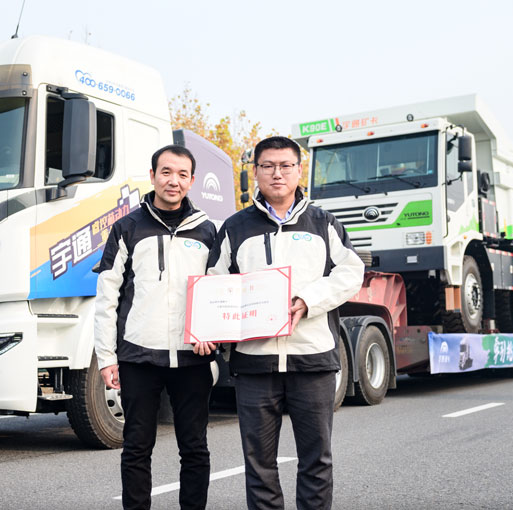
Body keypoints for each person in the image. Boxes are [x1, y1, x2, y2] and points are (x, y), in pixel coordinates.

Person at [207, 136, 365, 510]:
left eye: (285, 166)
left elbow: (351, 272)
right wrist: (211, 328)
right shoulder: (235, 227)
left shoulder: (323, 223)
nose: (277, 173)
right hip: (254, 363)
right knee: (259, 464)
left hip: (312, 359)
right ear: (255, 172)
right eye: (268, 166)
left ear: (298, 170)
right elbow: (215, 282)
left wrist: (309, 300)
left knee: (316, 459)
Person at [94, 144, 219, 510]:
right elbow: (106, 297)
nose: (173, 181)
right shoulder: (127, 227)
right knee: (136, 447)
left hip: (193, 356)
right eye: (166, 172)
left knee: (194, 448)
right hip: (139, 356)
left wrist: (212, 335)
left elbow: (219, 291)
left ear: (192, 180)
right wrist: (106, 357)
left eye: (182, 174)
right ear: (152, 176)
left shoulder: (208, 231)